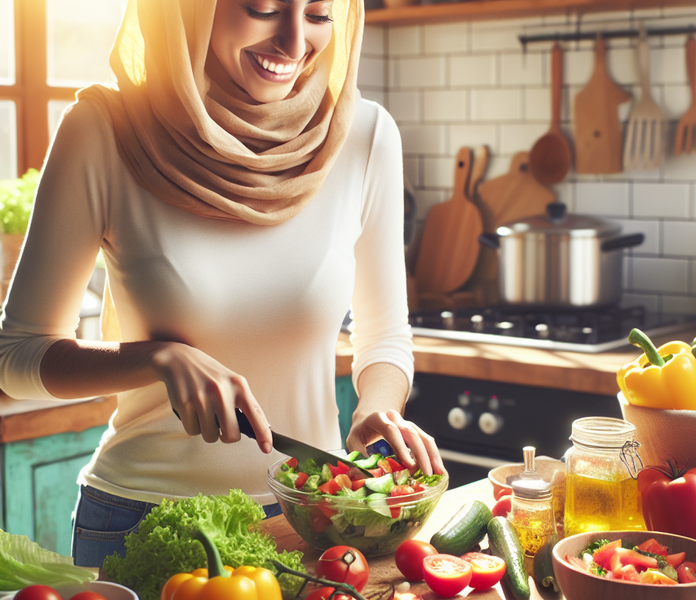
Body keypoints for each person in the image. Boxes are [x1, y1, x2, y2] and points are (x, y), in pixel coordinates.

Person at [0, 0, 444, 567]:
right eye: (263, 7)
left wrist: (375, 409)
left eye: (318, 14)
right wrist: (155, 358)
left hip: (314, 519)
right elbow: (16, 358)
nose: (292, 41)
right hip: (143, 519)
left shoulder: (363, 135)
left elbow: (383, 334)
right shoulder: (106, 132)